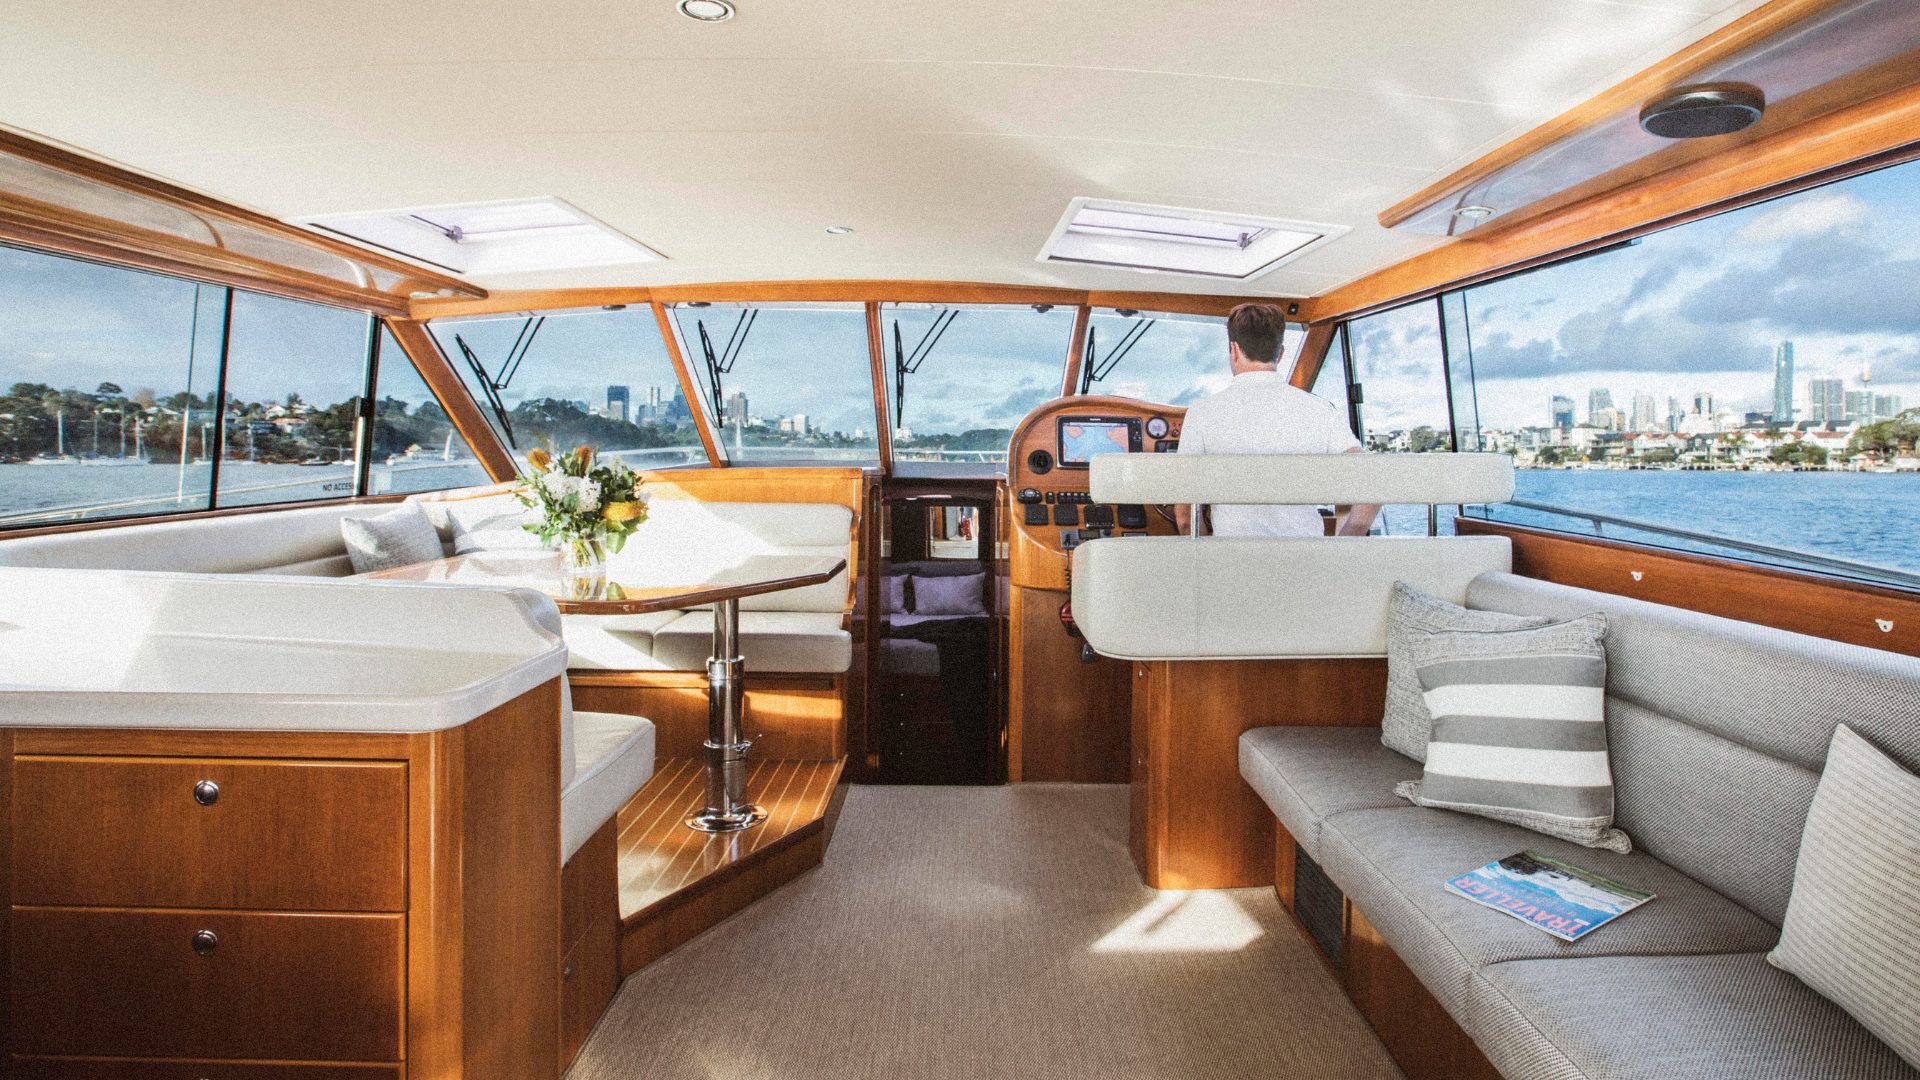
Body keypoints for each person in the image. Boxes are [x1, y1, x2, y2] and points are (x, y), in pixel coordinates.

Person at [1174, 303, 1380, 538]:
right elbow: (1370, 477)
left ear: (1233, 349)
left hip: (1235, 564)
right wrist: (1348, 538)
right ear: (1280, 353)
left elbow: (1184, 517)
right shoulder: (1320, 410)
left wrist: (1208, 557)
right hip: (1305, 562)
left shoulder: (1202, 413)